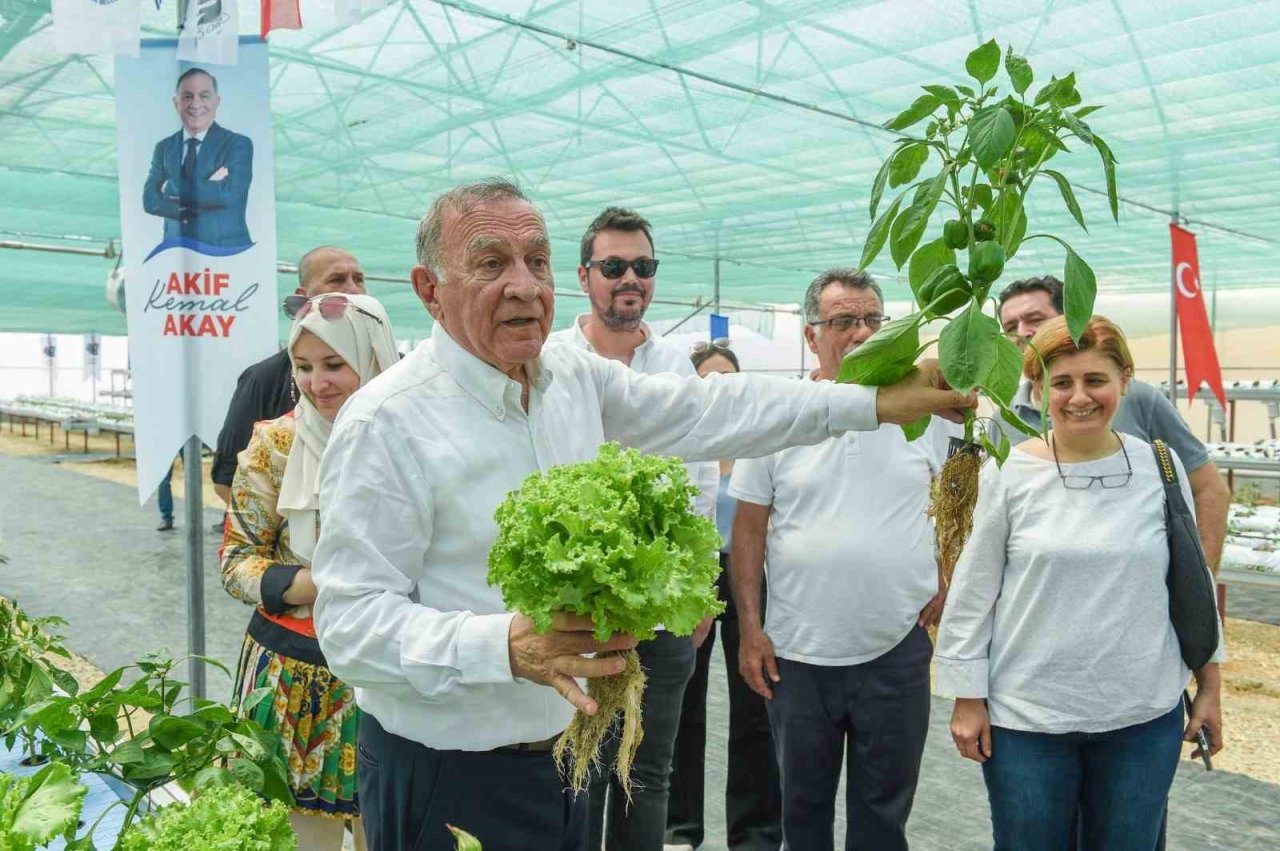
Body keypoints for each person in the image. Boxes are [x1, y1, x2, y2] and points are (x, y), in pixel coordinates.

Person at [308, 178, 972, 851]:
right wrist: (502, 645)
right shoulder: (387, 420)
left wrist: (873, 402)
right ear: (428, 289)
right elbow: (350, 624)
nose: (524, 285)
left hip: (566, 757)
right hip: (449, 774)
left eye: (536, 261)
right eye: (490, 263)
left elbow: (710, 410)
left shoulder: (571, 378)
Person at [936, 315, 1224, 851]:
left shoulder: (1159, 467)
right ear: (1039, 390)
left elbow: (1190, 585)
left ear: (1124, 381)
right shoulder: (1008, 472)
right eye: (1061, 383)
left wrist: (1210, 686)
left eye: (1095, 380)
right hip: (1028, 720)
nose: (1079, 397)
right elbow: (973, 594)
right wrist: (966, 698)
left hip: (1141, 716)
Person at [730, 269, 950, 851]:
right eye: (843, 321)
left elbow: (957, 500)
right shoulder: (780, 417)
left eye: (872, 320)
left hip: (896, 648)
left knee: (883, 817)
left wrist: (948, 575)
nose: (860, 333)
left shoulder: (918, 412)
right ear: (810, 336)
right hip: (799, 656)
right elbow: (748, 530)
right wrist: (751, 630)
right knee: (802, 814)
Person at [546, 206, 720, 851]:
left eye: (643, 267)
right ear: (585, 275)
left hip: (662, 607)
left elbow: (702, 481)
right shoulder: (551, 359)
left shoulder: (677, 362)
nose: (631, 279)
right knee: (571, 761)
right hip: (575, 607)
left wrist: (698, 590)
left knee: (647, 768)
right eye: (614, 266)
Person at [220, 293, 399, 849]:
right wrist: (319, 583)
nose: (316, 382)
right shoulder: (274, 444)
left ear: (371, 359)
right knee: (296, 839)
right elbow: (237, 562)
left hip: (388, 668)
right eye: (303, 367)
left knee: (392, 828)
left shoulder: (409, 438)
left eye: (334, 364)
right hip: (290, 679)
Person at [993, 276, 1230, 573]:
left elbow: (1209, 489)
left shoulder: (1137, 399)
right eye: (1010, 326)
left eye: (1034, 319)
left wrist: (1200, 583)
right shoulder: (1005, 417)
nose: (1022, 332)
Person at [666, 341, 781, 851]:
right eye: (710, 381)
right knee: (683, 704)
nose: (722, 390)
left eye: (730, 380)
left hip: (748, 576)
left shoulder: (759, 446)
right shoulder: (679, 444)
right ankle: (678, 829)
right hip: (693, 575)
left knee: (755, 702)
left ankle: (755, 833)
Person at [210, 246, 367, 525]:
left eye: (359, 278)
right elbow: (226, 479)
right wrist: (298, 529)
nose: (352, 289)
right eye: (337, 280)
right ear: (303, 294)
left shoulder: (398, 372)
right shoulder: (264, 379)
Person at [143, 67, 253, 250]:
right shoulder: (164, 148)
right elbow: (150, 202)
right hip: (175, 255)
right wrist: (207, 192)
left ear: (217, 101)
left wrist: (172, 186)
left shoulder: (237, 144)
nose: (195, 104)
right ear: (175, 102)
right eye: (187, 96)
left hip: (225, 256)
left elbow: (230, 194)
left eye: (204, 95)